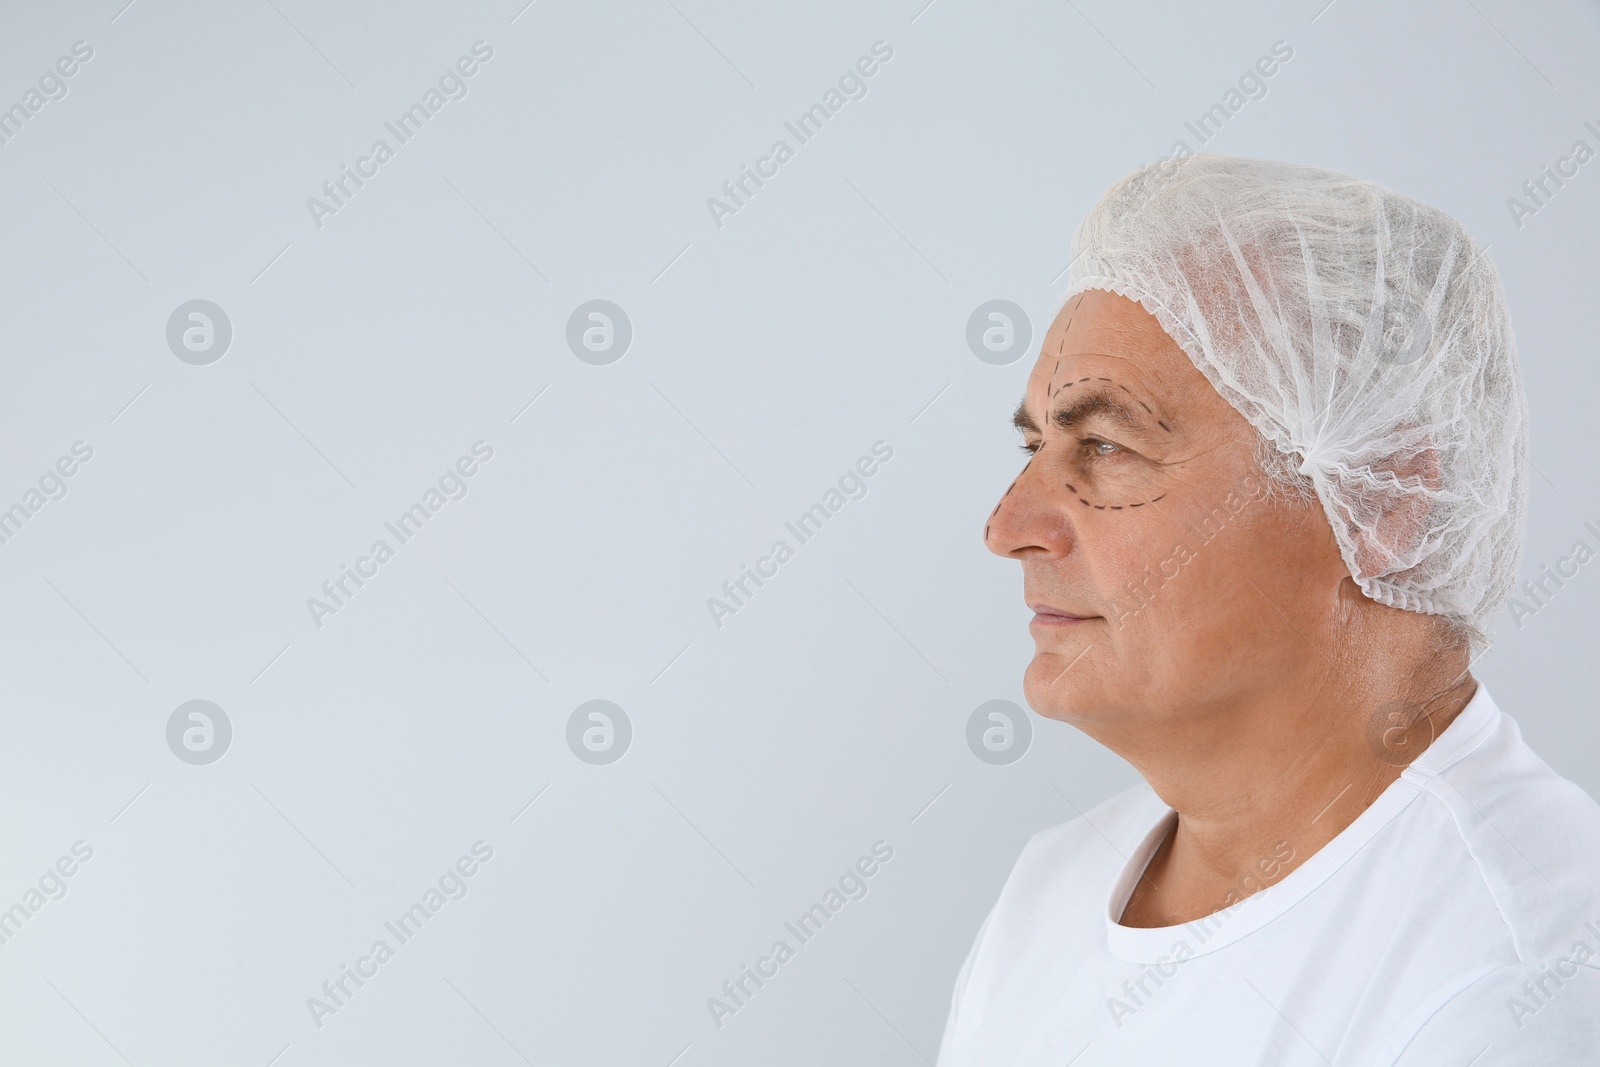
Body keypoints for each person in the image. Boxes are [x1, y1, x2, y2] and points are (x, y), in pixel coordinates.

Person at [940, 154, 1600, 1065]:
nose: (1007, 526)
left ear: (1383, 504)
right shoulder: (1052, 889)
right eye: (1034, 443)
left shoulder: (1517, 983)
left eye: (1103, 445)